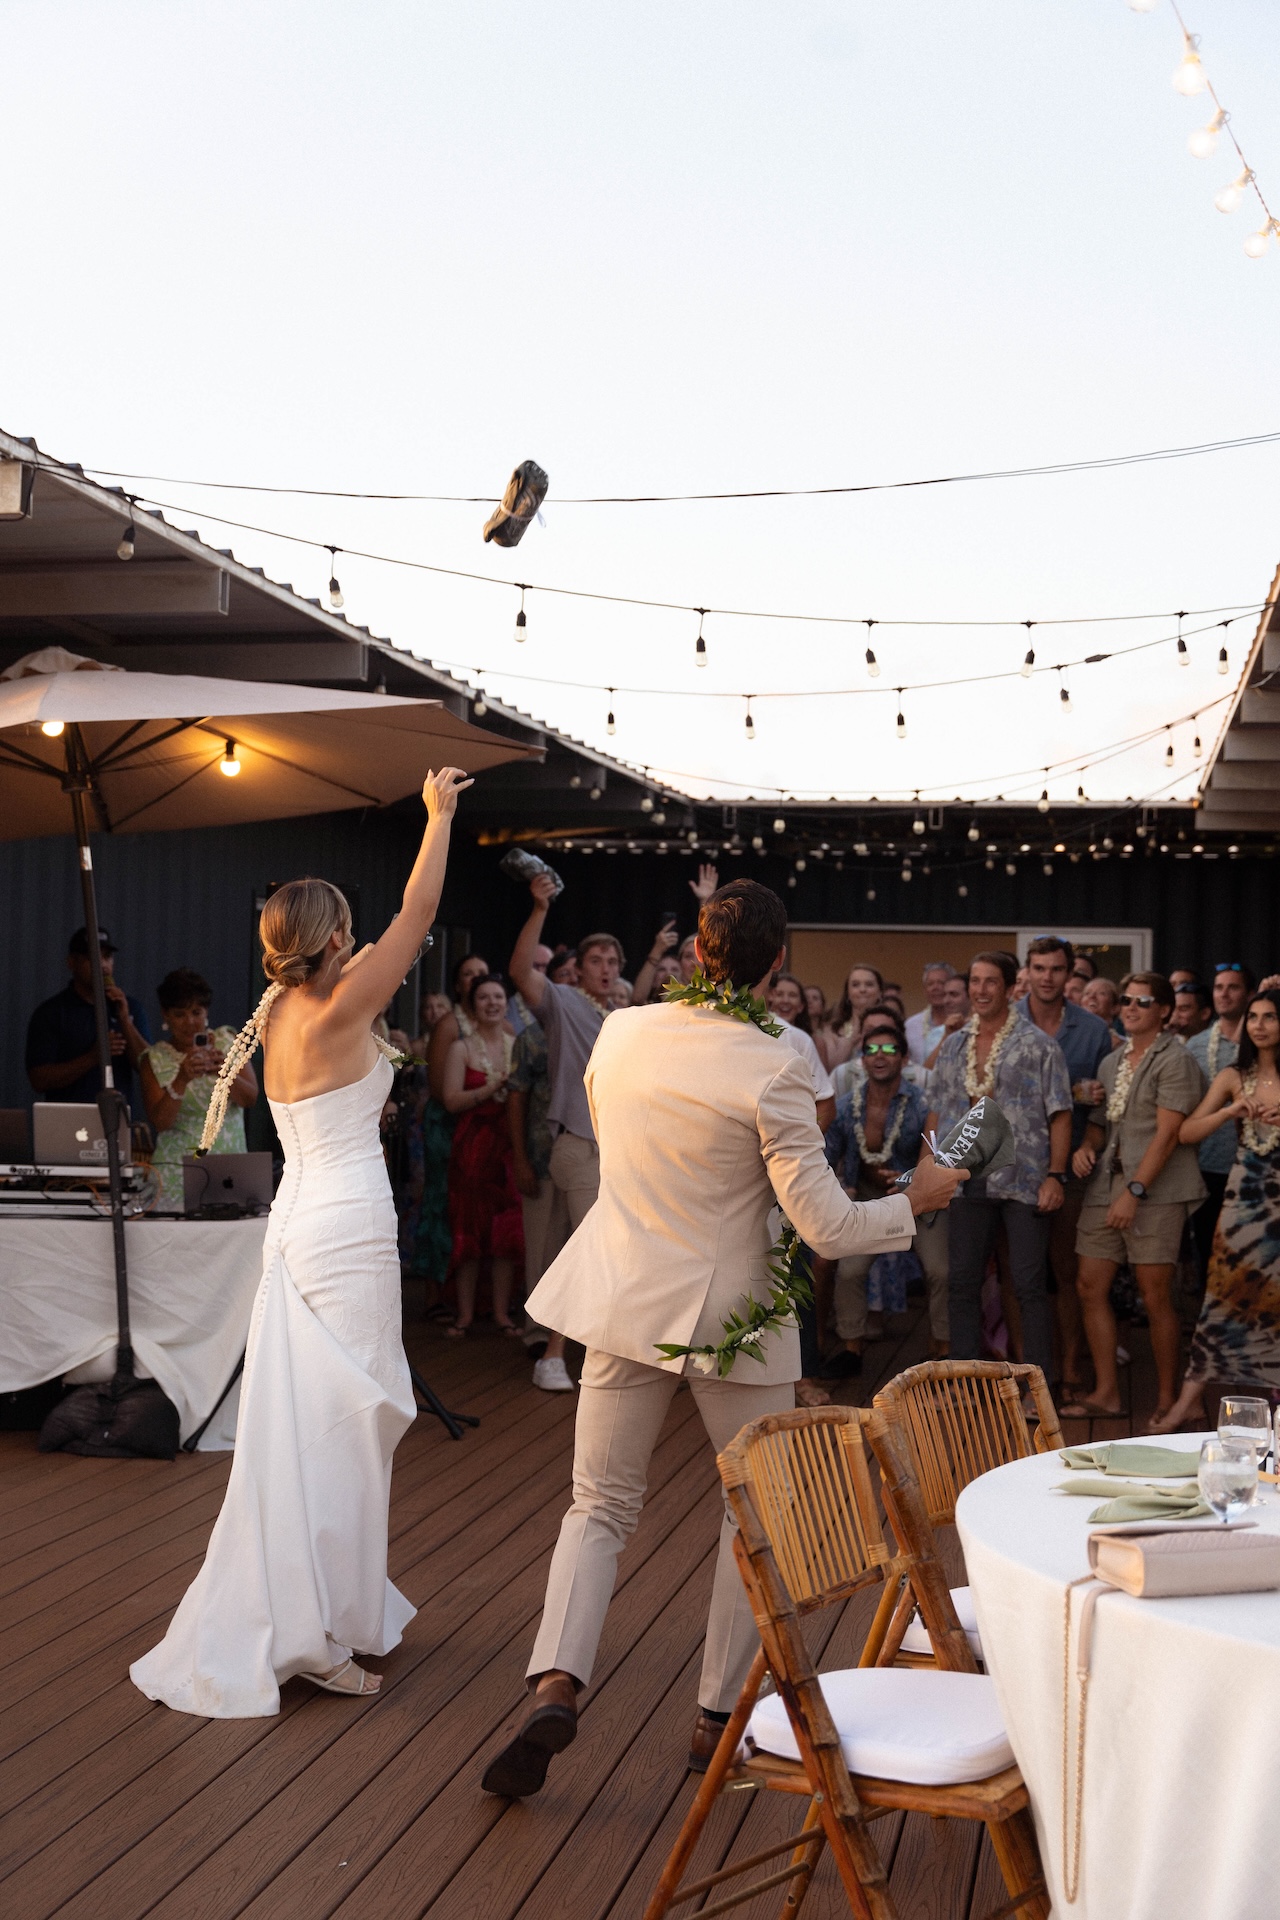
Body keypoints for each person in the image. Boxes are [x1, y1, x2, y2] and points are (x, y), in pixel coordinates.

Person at [479, 879, 967, 1798]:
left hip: (624, 1294)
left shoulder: (623, 1031)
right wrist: (917, 1201)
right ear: (775, 965)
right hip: (731, 1314)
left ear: (699, 954)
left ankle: (555, 1680)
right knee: (755, 1512)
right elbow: (824, 1227)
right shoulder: (777, 1059)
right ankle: (717, 1718)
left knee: (597, 1505)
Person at [131, 767, 471, 1714]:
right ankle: (317, 1632)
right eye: (349, 928)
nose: (364, 936)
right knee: (342, 1427)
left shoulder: (277, 1012)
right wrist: (438, 815)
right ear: (331, 941)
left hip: (299, 1228)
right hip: (345, 1228)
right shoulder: (340, 1002)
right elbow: (423, 904)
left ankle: (337, 1607)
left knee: (320, 1423)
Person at [1062, 972, 1206, 1425]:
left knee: (1155, 1295)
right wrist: (1087, 1146)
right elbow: (1104, 1124)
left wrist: (1135, 1191)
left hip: (1156, 1192)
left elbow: (1168, 1135)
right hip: (1106, 1184)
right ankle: (1107, 1392)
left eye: (1142, 1001)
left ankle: (1169, 1400)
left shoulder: (1175, 1060)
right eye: (1125, 999)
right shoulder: (1113, 1061)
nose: (1130, 1007)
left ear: (1164, 1010)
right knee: (1089, 1285)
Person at [926, 951, 1072, 1382]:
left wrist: (1055, 1174)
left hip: (1023, 1178)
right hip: (965, 1179)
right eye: (975, 981)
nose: (982, 990)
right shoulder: (953, 1046)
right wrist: (928, 1174)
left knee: (1028, 1285)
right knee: (962, 1283)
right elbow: (936, 1112)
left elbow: (1059, 1112)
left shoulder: (1038, 1045)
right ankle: (965, 1384)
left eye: (992, 982)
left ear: (1011, 989)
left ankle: (1039, 1388)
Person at [1152, 991, 1280, 1430]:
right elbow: (1186, 1132)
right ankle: (1188, 1400)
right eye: (1254, 1017)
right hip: (1243, 1201)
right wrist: (1231, 1111)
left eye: (1270, 1017)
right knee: (1223, 1297)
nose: (1260, 1025)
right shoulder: (1233, 1074)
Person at [823, 1010, 950, 1371]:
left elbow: (940, 1152)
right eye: (872, 1049)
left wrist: (912, 1177)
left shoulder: (923, 1103)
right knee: (848, 1271)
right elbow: (828, 1155)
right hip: (867, 1199)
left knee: (940, 1271)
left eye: (889, 1048)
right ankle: (851, 1347)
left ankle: (942, 1347)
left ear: (904, 1058)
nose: (880, 1055)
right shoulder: (847, 1107)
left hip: (920, 1201)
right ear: (862, 1060)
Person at [1015, 937, 1113, 1393]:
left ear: (1070, 975)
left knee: (1067, 1271)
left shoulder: (1094, 1029)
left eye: (1056, 969)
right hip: (1011, 1165)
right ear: (1028, 971)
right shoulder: (1006, 1020)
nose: (1047, 976)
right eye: (1039, 968)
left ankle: (1070, 1366)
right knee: (1020, 1271)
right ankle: (1020, 1371)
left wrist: (1088, 1137)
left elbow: (1106, 1100)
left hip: (1070, 1165)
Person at [510, 878, 625, 1243]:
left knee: (565, 1257)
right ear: (578, 969)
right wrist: (540, 909)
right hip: (578, 1141)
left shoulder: (620, 1015)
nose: (605, 969)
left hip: (610, 1146)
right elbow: (519, 972)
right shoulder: (562, 1001)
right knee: (592, 1249)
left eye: (612, 962)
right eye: (595, 961)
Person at [441, 974, 523, 1337]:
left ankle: (503, 1314)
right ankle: (465, 1314)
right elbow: (450, 1099)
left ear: (506, 1004)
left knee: (505, 1233)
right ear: (473, 1006)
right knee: (469, 1229)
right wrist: (490, 1088)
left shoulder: (516, 1044)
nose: (492, 1003)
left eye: (498, 997)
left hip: (508, 1148)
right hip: (472, 1149)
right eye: (484, 998)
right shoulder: (461, 1049)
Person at [140, 969, 258, 1210]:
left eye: (197, 1012)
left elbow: (250, 1099)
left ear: (206, 1012)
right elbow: (160, 1122)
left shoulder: (228, 1041)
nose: (190, 1022)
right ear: (165, 1015)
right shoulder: (154, 1059)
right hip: (175, 1174)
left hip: (229, 1170)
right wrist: (181, 1079)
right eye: (179, 1014)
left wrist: (224, 1073)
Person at [508, 1014, 574, 1391]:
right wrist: (520, 1157)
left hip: (590, 1157)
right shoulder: (533, 1037)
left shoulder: (608, 1027)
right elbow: (517, 1096)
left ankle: (571, 1332)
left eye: (612, 963)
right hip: (540, 1155)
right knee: (542, 1249)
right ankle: (537, 1331)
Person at [26, 925, 151, 1113]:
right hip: (67, 1123)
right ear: (71, 963)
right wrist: (93, 1057)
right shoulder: (51, 1013)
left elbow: (150, 1069)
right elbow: (39, 1079)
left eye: (107, 957)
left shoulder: (130, 1008)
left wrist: (125, 1021)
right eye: (92, 958)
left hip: (117, 1120)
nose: (103, 965)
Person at [1186, 963, 1254, 1281]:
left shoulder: (1263, 1044)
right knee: (1208, 1253)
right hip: (1207, 1164)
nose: (1224, 994)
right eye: (1218, 987)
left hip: (1254, 1167)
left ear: (1250, 995)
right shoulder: (1195, 1046)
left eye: (1233, 987)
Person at [631, 866, 721, 1006]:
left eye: (700, 955)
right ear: (679, 964)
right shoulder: (669, 998)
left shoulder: (721, 995)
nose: (694, 962)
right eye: (687, 956)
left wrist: (706, 903)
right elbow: (637, 999)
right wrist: (657, 950)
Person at [825, 962, 885, 1067]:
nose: (862, 990)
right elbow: (830, 1070)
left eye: (869, 984)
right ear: (848, 993)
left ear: (880, 993)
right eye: (855, 985)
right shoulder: (833, 1030)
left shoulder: (891, 1027)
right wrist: (850, 1041)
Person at [904, 962, 956, 1066]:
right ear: (924, 990)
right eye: (930, 984)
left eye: (941, 983)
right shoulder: (911, 1025)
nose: (935, 988)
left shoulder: (962, 1023)